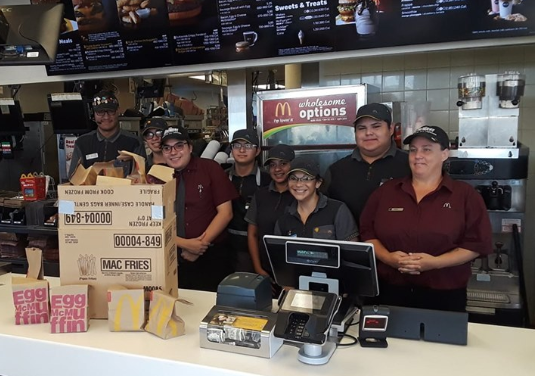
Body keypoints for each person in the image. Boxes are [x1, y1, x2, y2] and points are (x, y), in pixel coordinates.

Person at [359, 126, 493, 312]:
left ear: (444, 154)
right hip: (389, 292)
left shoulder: (465, 196)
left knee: (440, 341)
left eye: (427, 149)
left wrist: (435, 263)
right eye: (413, 150)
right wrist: (388, 258)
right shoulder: (386, 192)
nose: (418, 155)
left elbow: (476, 245)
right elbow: (367, 233)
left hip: (444, 295)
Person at [161, 127, 238, 292]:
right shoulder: (157, 176)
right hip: (170, 255)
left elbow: (226, 213)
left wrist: (199, 246)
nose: (173, 152)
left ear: (189, 147)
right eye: (167, 148)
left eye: (179, 146)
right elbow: (150, 221)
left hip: (210, 257)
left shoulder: (210, 169)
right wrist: (183, 244)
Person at [322, 103, 410, 223]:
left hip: (398, 241)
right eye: (362, 128)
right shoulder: (336, 170)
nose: (368, 133)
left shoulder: (411, 165)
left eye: (376, 126)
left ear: (390, 129)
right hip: (350, 241)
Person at [274, 157, 359, 241]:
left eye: (306, 179)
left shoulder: (338, 210)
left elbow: (352, 251)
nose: (299, 184)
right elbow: (278, 253)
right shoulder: (284, 218)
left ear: (318, 183)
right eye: (293, 178)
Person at [245, 144, 295, 284]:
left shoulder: (300, 194)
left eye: (283, 164)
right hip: (266, 270)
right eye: (272, 165)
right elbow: (252, 234)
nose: (277, 169)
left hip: (295, 271)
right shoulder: (261, 195)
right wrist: (258, 269)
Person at [68, 90, 146, 177]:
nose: (106, 117)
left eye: (110, 111)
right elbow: (73, 178)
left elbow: (142, 179)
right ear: (93, 114)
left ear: (118, 111)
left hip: (124, 190)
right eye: (100, 112)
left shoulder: (134, 142)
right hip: (92, 191)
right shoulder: (82, 143)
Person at [226, 129, 271, 272]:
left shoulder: (268, 180)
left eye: (248, 146)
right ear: (231, 150)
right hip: (227, 247)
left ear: (257, 151)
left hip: (260, 248)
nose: (242, 150)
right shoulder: (221, 178)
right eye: (237, 145)